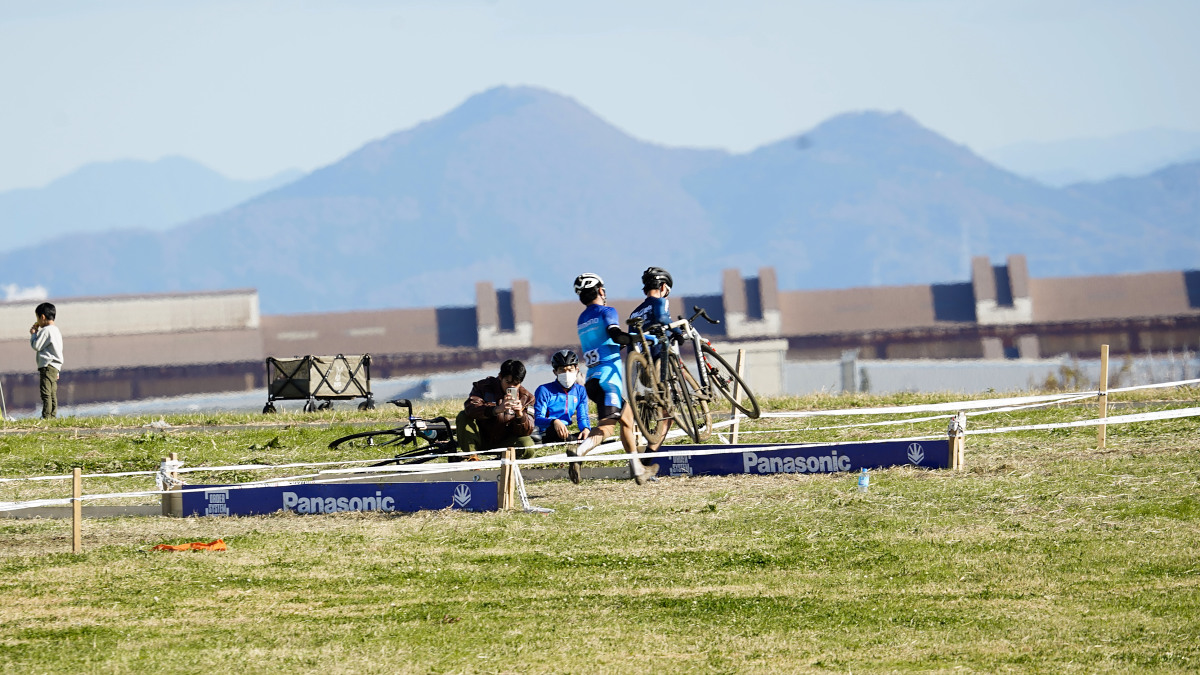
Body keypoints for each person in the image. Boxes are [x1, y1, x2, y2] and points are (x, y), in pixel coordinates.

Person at [572, 273, 657, 485]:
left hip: (593, 380)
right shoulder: (607, 311)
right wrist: (645, 338)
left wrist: (627, 342)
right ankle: (579, 451)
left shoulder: (582, 319)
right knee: (607, 428)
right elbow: (617, 335)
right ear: (601, 291)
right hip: (607, 382)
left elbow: (609, 344)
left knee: (628, 420)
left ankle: (638, 469)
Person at [628, 266, 678, 449]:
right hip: (659, 360)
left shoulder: (634, 313)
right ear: (664, 287)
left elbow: (631, 343)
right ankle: (649, 459)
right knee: (668, 414)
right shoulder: (660, 302)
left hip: (641, 366)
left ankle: (646, 457)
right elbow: (664, 320)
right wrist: (679, 331)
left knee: (654, 413)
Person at [455, 359, 536, 460]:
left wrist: (520, 415)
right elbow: (470, 408)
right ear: (500, 376)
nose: (511, 386)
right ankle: (472, 457)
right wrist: (495, 410)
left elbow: (527, 431)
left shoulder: (527, 398)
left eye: (515, 384)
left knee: (528, 446)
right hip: (480, 438)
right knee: (463, 416)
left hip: (505, 441)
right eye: (508, 382)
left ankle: (503, 460)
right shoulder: (483, 386)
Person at [533, 349, 591, 444]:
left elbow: (582, 416)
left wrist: (585, 428)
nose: (566, 373)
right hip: (548, 431)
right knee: (554, 432)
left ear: (577, 369)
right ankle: (581, 441)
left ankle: (580, 439)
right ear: (555, 372)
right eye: (562, 370)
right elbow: (538, 419)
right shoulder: (544, 390)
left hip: (566, 432)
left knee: (597, 430)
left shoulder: (580, 390)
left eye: (570, 369)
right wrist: (554, 422)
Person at [29, 302, 64, 420]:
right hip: (55, 366)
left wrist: (34, 334)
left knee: (46, 392)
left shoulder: (46, 331)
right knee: (52, 392)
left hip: (47, 365)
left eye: (37, 318)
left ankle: (46, 417)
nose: (37, 321)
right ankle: (52, 415)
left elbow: (36, 346)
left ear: (42, 317)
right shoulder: (56, 330)